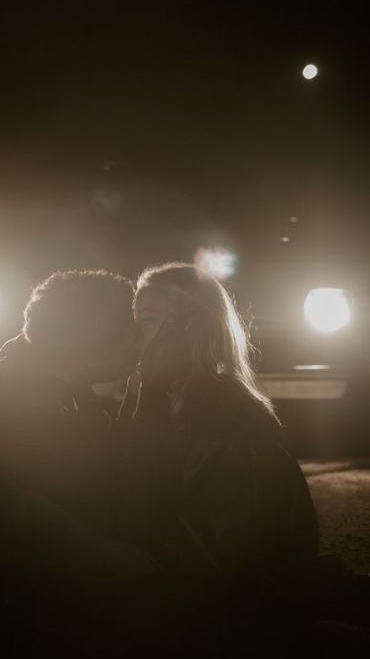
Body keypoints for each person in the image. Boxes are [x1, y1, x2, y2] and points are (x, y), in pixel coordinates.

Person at [0, 270, 157, 656]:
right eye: (129, 334)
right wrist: (128, 562)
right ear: (89, 345)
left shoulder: (35, 383)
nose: (141, 345)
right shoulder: (21, 400)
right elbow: (21, 513)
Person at [113, 262, 320, 648]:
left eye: (145, 321)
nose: (132, 336)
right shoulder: (153, 403)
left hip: (241, 619)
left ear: (190, 327)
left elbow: (214, 562)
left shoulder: (228, 426)